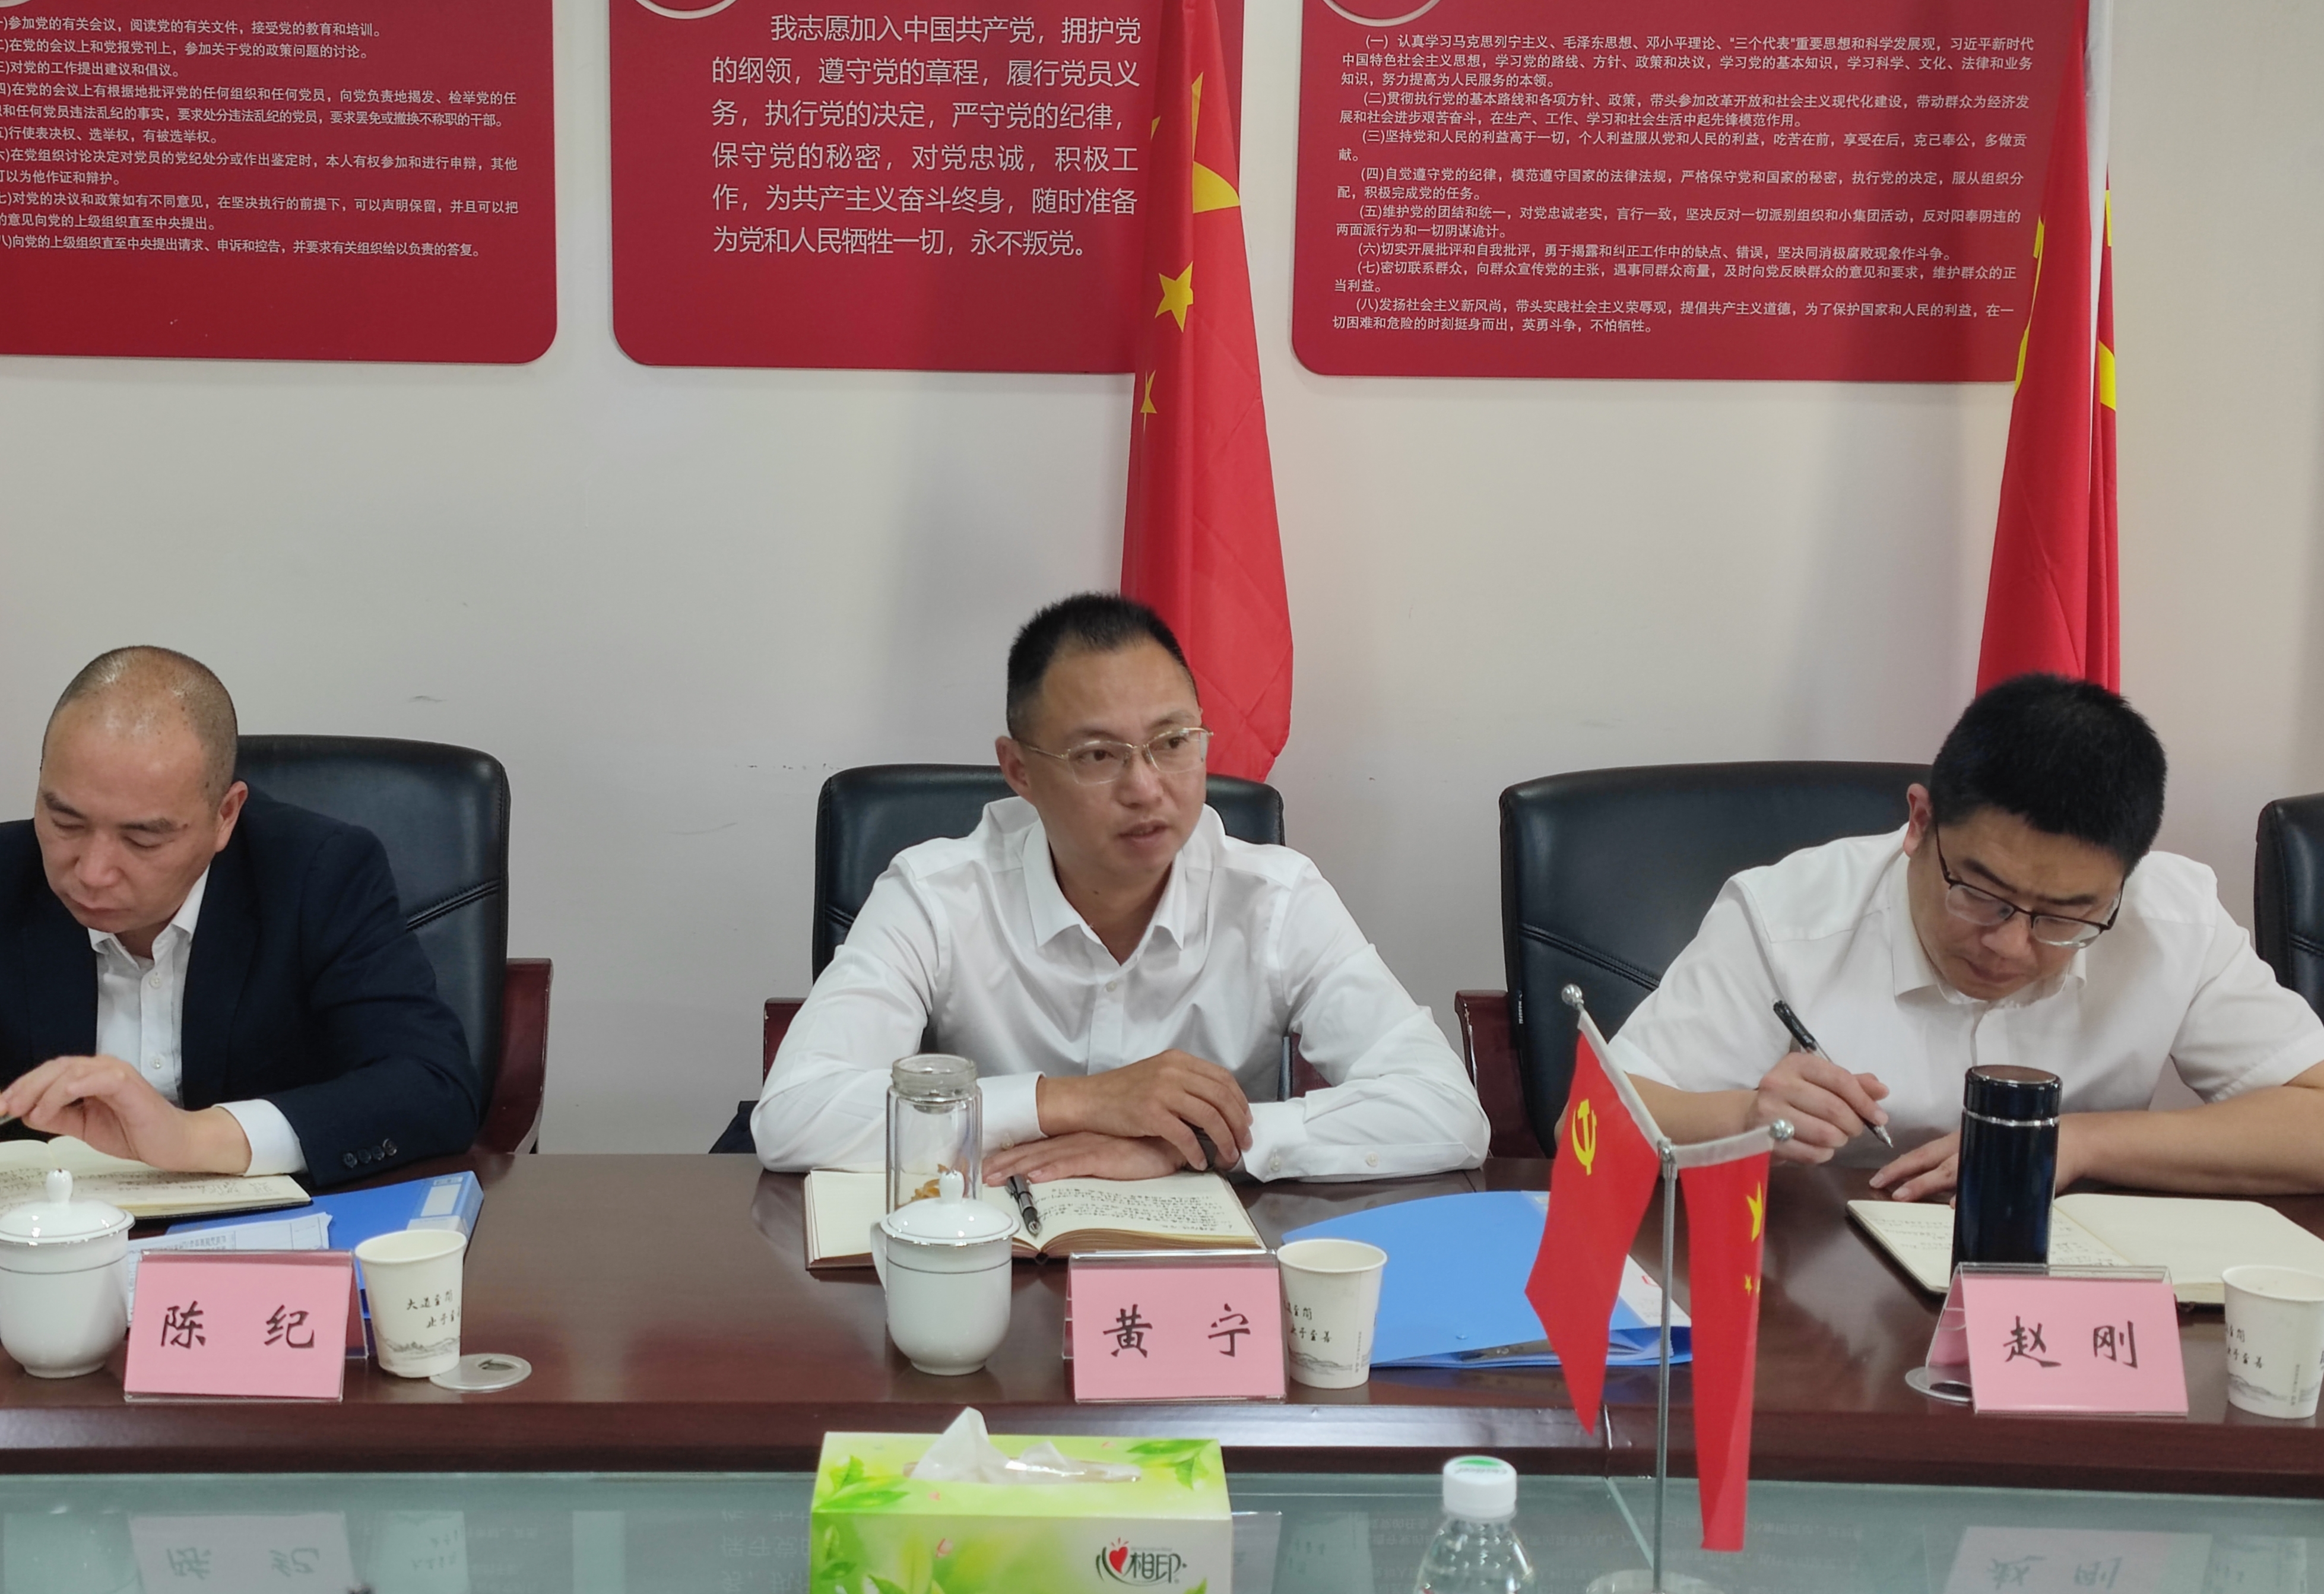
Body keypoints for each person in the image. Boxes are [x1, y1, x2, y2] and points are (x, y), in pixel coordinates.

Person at [753, 593, 1489, 1184]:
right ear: (1019, 770)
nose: (1145, 787)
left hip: (1198, 1280)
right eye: (1098, 754)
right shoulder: (934, 894)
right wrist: (1072, 1102)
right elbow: (793, 1115)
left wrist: (1193, 1142)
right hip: (993, 1262)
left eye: (1172, 742)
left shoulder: (1276, 898)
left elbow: (1445, 1110)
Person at [1611, 673, 2324, 1200]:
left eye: (2064, 917)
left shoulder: (2171, 918)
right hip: (1824, 1300)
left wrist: (2077, 1140)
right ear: (1919, 822)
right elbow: (1595, 1118)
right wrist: (1743, 1116)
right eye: (1981, 895)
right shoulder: (1787, 915)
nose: (2009, 945)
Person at [0, 647, 480, 1184]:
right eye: (66, 821)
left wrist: (194, 1137)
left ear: (225, 815)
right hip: (54, 1240)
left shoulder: (317, 873)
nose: (92, 870)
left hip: (271, 1240)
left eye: (143, 838)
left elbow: (433, 1085)